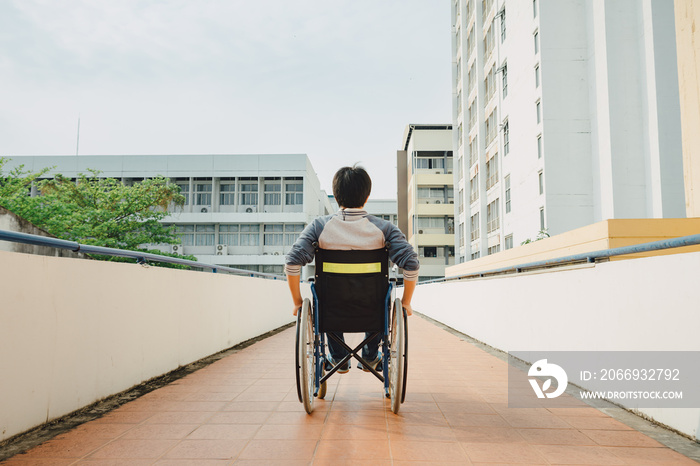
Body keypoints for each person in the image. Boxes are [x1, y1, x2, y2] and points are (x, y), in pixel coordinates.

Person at [285, 165, 419, 373]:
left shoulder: (319, 227)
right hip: (372, 308)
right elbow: (411, 262)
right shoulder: (384, 229)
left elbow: (292, 262)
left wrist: (297, 303)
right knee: (378, 300)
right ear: (366, 197)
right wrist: (407, 303)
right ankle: (370, 357)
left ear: (336, 197)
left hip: (332, 308)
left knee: (327, 297)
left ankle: (338, 357)